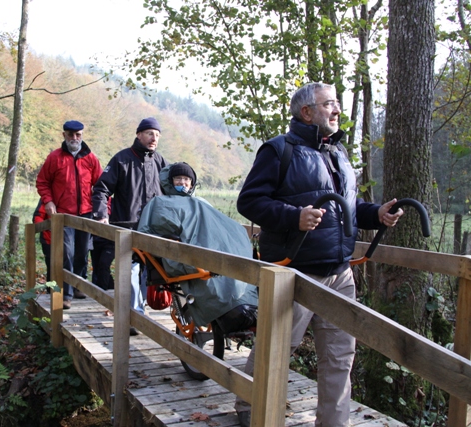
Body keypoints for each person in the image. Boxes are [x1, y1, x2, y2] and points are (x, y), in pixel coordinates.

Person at [235, 82, 404, 427]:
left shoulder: (338, 153)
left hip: (340, 272)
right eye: (329, 104)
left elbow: (348, 206)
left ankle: (333, 423)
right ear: (307, 112)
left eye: (337, 103)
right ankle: (250, 410)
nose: (337, 110)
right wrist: (294, 217)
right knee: (277, 349)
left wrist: (377, 215)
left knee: (341, 355)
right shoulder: (278, 150)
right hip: (293, 272)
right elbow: (249, 201)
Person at [137, 162, 258, 334]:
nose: (183, 182)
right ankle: (230, 312)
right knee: (209, 273)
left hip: (208, 252)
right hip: (183, 254)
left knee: (229, 260)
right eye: (178, 178)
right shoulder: (160, 202)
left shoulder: (201, 202)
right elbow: (151, 230)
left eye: (187, 179)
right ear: (170, 182)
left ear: (192, 183)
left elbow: (214, 226)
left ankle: (242, 307)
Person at [92, 117, 168, 335]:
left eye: (157, 135)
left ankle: (138, 311)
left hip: (154, 228)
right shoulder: (122, 159)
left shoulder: (161, 162)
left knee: (148, 273)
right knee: (132, 271)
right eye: (150, 133)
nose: (154, 138)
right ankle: (134, 317)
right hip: (127, 227)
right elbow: (101, 189)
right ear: (139, 134)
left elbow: (171, 193)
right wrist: (101, 215)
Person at [36, 120, 103, 310]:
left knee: (82, 253)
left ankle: (79, 285)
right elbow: (42, 182)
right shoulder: (54, 157)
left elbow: (100, 186)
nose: (75, 138)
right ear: (64, 135)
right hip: (62, 215)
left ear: (82, 135)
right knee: (67, 252)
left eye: (78, 135)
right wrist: (48, 201)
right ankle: (65, 293)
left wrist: (101, 209)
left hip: (86, 214)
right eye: (71, 134)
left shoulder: (90, 158)